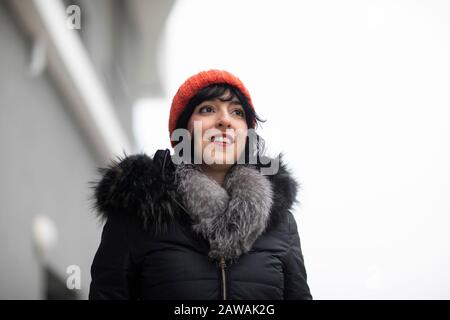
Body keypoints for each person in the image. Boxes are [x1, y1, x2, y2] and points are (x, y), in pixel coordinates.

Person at [88, 69, 312, 300]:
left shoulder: (280, 222)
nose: (225, 120)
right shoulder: (140, 208)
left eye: (237, 112)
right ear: (184, 131)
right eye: (207, 109)